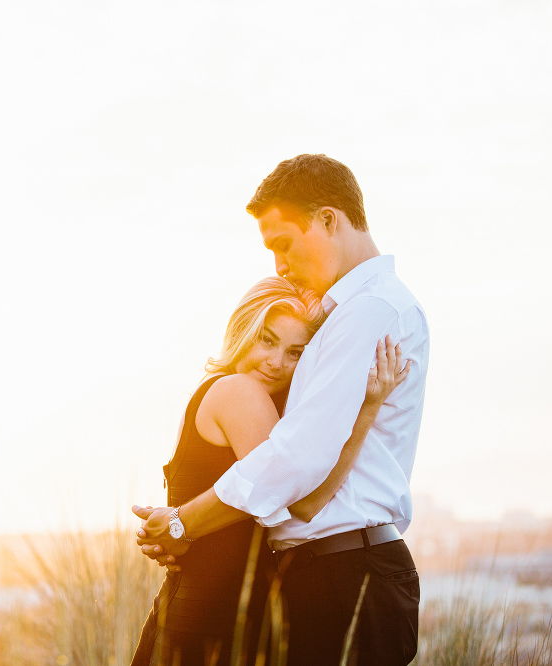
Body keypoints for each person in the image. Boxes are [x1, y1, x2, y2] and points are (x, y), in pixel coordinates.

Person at [134, 154, 429, 665]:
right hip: (319, 573)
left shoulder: (368, 312)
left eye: (283, 244)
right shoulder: (346, 316)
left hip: (345, 567)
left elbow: (299, 469)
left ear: (329, 220)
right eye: (268, 342)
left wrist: (183, 523)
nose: (279, 264)